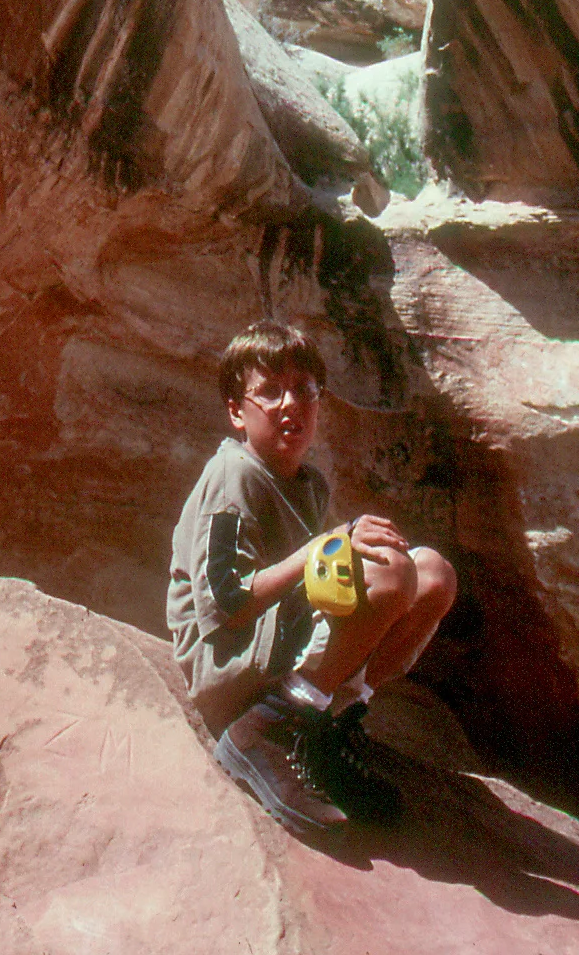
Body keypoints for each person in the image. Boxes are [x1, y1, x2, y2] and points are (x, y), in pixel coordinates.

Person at [167, 317, 457, 836]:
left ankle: (325, 724)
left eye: (304, 390)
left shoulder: (308, 484)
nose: (290, 404)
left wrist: (331, 549)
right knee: (388, 575)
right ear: (237, 411)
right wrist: (325, 547)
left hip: (272, 644)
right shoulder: (232, 476)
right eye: (269, 392)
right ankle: (263, 732)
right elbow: (226, 605)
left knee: (432, 572)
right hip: (225, 659)